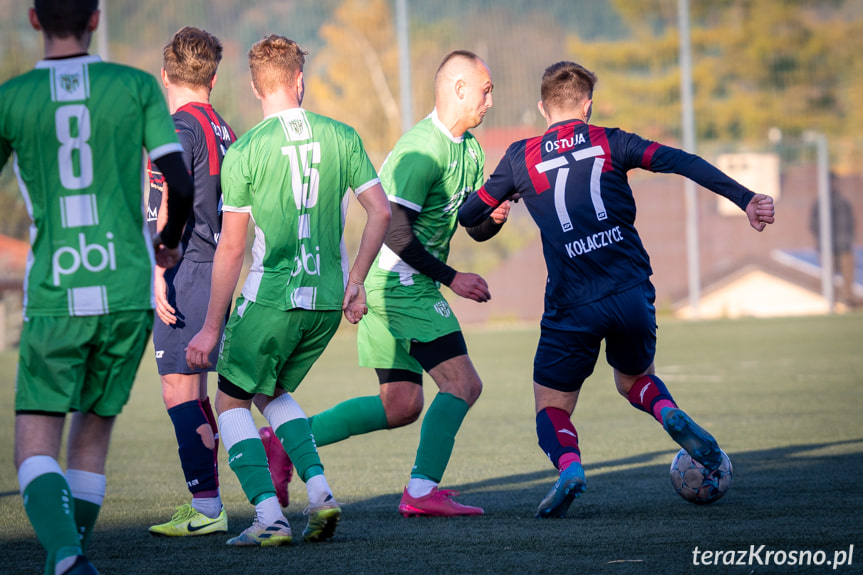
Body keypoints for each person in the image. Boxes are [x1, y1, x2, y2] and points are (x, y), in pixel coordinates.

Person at [458, 61, 776, 518]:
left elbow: (471, 217)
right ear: (588, 106)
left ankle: (569, 467)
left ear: (542, 108)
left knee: (552, 405)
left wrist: (499, 203)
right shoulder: (612, 140)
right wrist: (745, 198)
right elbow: (682, 162)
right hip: (629, 289)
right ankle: (667, 411)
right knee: (635, 380)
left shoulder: (519, 157)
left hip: (571, 302)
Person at [0, 1, 194, 573]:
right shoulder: (134, 85)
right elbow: (177, 178)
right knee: (90, 438)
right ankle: (73, 556)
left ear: (35, 20)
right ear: (96, 17)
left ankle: (64, 555)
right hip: (126, 286)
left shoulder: (10, 99)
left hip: (56, 289)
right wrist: (170, 242)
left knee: (35, 443)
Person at [185, 34, 391, 546]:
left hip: (271, 299)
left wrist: (212, 327)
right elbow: (381, 212)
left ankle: (268, 517)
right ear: (300, 81)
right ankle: (319, 494)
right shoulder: (342, 136)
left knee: (230, 402)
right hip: (324, 300)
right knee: (269, 388)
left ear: (256, 87)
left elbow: (232, 250)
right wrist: (357, 282)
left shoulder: (248, 149)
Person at [303, 50, 508, 517]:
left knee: (400, 405)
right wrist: (453, 278)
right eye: (485, 90)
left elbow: (472, 225)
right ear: (458, 88)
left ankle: (288, 438)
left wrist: (493, 219)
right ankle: (420, 492)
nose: (490, 101)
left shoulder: (470, 149)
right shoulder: (421, 150)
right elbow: (396, 235)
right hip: (399, 283)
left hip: (402, 281)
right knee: (464, 384)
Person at [145, 26, 237, 537]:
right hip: (213, 264)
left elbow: (169, 196)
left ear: (165, 74)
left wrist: (161, 267)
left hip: (186, 266)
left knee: (177, 390)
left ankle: (205, 507)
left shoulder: (179, 125)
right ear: (214, 77)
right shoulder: (222, 126)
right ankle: (209, 500)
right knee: (194, 387)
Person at [809, 173, 857, 308]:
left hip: (844, 246)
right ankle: (832, 302)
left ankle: (847, 301)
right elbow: (813, 224)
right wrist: (822, 241)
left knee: (847, 276)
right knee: (829, 277)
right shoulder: (820, 203)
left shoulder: (843, 202)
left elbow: (851, 223)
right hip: (827, 248)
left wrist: (848, 239)